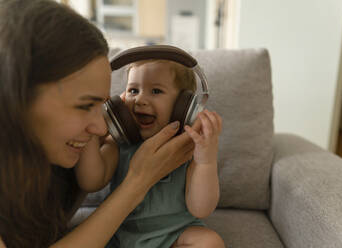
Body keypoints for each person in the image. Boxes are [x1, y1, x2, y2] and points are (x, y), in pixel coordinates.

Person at [0, 0, 197, 247]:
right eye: (84, 105)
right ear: (14, 96)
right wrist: (139, 180)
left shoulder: (45, 163)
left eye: (103, 105)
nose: (102, 128)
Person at [77, 58, 225, 248]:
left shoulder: (188, 149)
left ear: (184, 106)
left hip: (174, 233)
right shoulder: (119, 144)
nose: (140, 100)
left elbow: (201, 208)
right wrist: (92, 127)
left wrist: (206, 161)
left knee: (210, 242)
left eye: (156, 91)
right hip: (120, 234)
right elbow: (91, 180)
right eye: (133, 90)